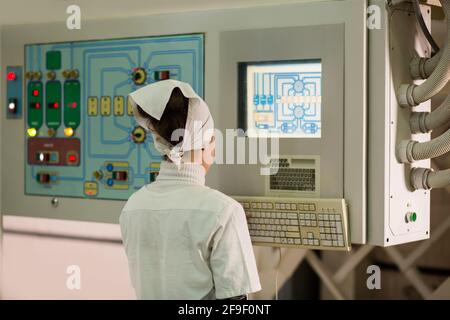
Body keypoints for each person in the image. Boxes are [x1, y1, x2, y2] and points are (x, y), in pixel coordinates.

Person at [120, 80, 261, 300]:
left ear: (159, 141)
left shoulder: (133, 206)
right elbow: (237, 302)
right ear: (208, 143)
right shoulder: (223, 211)